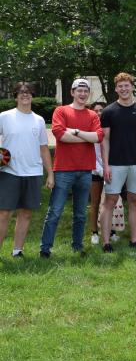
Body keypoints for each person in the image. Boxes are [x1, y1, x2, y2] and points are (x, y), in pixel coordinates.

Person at [39, 79, 104, 258]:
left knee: (81, 213)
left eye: (85, 91)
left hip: (85, 170)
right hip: (63, 170)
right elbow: (60, 135)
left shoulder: (92, 115)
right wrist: (86, 138)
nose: (82, 94)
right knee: (55, 211)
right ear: (72, 92)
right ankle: (45, 249)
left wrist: (75, 131)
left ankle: (77, 246)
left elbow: (98, 136)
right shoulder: (61, 111)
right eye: (79, 90)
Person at [100, 72, 136, 251]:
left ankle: (134, 240)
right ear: (116, 89)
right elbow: (105, 140)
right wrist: (106, 164)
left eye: (127, 85)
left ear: (132, 87)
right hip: (115, 164)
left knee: (135, 200)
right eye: (120, 86)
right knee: (110, 201)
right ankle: (106, 243)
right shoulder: (109, 111)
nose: (124, 89)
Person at [0, 82, 54, 258]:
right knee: (4, 213)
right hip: (9, 172)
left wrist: (50, 174)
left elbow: (44, 148)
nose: (25, 95)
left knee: (26, 213)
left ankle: (17, 251)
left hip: (33, 173)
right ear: (15, 96)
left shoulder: (38, 120)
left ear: (32, 96)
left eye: (28, 92)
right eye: (21, 92)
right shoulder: (5, 117)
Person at [89, 101, 116, 245]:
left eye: (102, 110)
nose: (99, 113)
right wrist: (100, 170)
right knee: (95, 203)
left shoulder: (112, 128)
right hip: (95, 171)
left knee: (111, 203)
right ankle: (94, 232)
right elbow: (91, 154)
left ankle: (111, 231)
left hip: (111, 170)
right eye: (96, 110)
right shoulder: (90, 130)